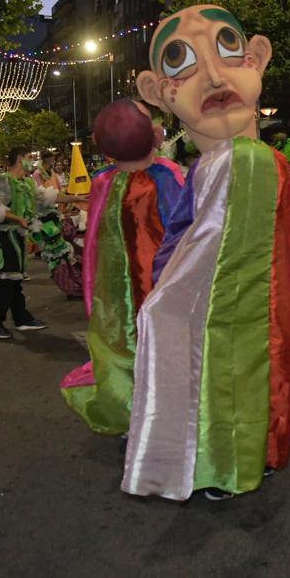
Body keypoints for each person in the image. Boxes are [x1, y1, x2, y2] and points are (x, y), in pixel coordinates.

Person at [123, 4, 290, 501]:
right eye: (181, 61)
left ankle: (232, 460)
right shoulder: (221, 159)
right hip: (241, 305)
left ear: (257, 58)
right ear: (156, 92)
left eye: (228, 48)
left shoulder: (246, 159)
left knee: (234, 365)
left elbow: (224, 259)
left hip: (242, 307)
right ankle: (237, 453)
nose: (212, 76)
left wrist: (166, 299)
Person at [60, 99, 184, 434]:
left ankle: (130, 407)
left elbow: (96, 238)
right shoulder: (164, 177)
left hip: (116, 286)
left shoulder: (103, 181)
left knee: (123, 343)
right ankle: (160, 410)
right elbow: (184, 227)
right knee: (161, 346)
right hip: (159, 282)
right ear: (152, 136)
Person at [0, 146, 82, 340]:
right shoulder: (0, 180)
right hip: (1, 235)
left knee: (15, 278)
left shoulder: (28, 183)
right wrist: (18, 218)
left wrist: (78, 197)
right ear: (20, 159)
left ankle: (21, 317)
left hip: (18, 234)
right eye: (29, 157)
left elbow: (48, 197)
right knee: (8, 279)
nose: (32, 161)